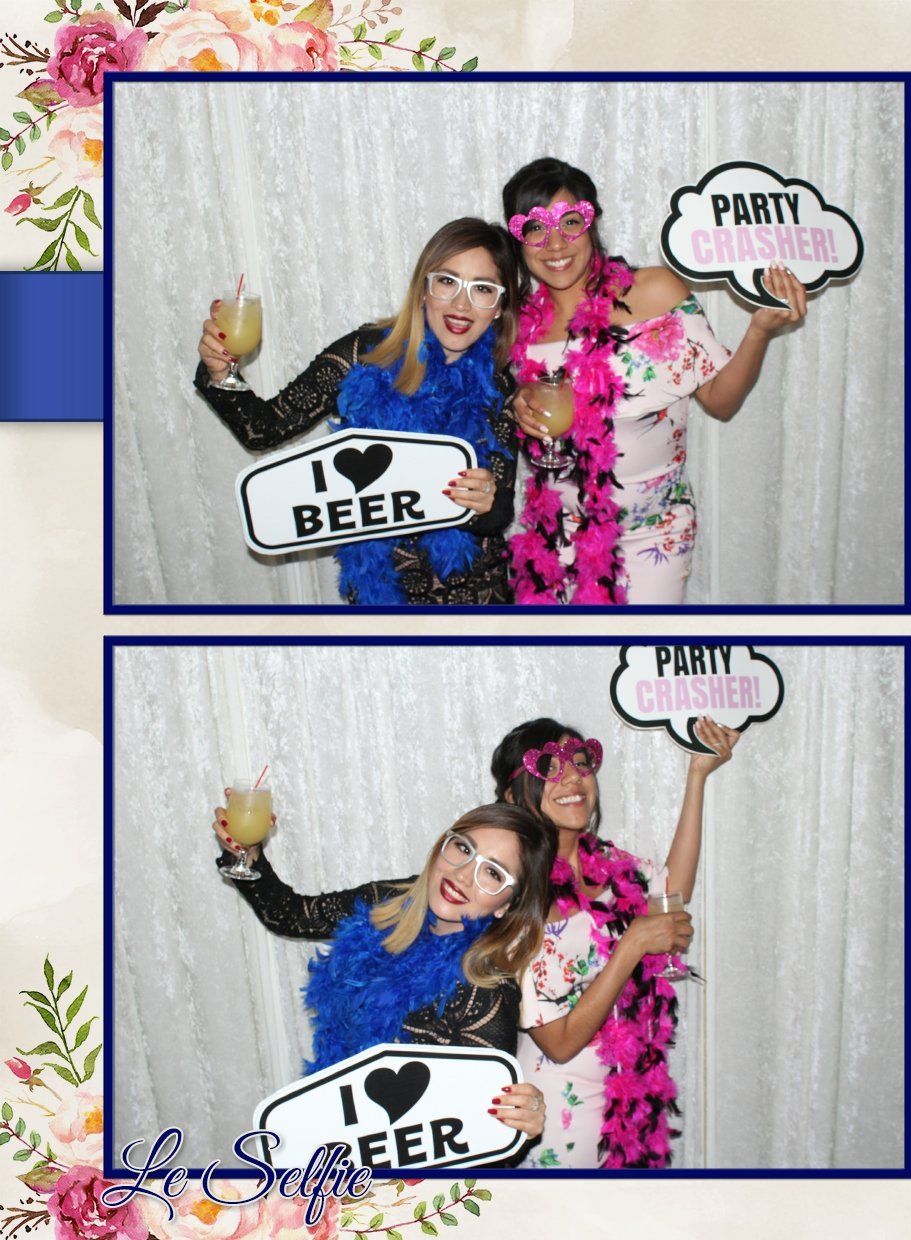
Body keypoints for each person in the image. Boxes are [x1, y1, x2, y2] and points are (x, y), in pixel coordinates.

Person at [497, 157, 808, 604]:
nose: (555, 244)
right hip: (550, 542)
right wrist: (514, 406)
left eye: (570, 222)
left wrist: (758, 329)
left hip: (651, 537)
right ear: (518, 239)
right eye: (535, 230)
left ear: (593, 221)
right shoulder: (516, 324)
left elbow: (721, 402)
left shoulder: (656, 291)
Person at [194, 218, 521, 604]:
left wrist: (483, 501)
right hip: (380, 597)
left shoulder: (497, 387)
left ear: (499, 307)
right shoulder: (365, 355)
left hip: (477, 598)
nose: (462, 304)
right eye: (447, 281)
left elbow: (500, 510)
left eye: (482, 289)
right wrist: (222, 373)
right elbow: (263, 429)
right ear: (423, 290)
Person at [210, 799, 554, 1162]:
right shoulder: (387, 902)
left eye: (493, 873)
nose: (464, 874)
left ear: (506, 905)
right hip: (338, 1153)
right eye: (464, 848)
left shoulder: (485, 991)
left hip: (416, 1188)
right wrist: (246, 855)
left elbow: (487, 1143)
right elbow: (291, 915)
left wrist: (521, 1123)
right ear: (443, 845)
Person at [490, 715, 741, 1167]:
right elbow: (560, 1043)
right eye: (549, 766)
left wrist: (697, 776)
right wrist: (633, 946)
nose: (572, 776)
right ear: (514, 795)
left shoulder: (610, 867)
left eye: (581, 762)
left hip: (629, 1097)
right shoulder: (513, 893)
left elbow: (671, 893)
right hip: (557, 1113)